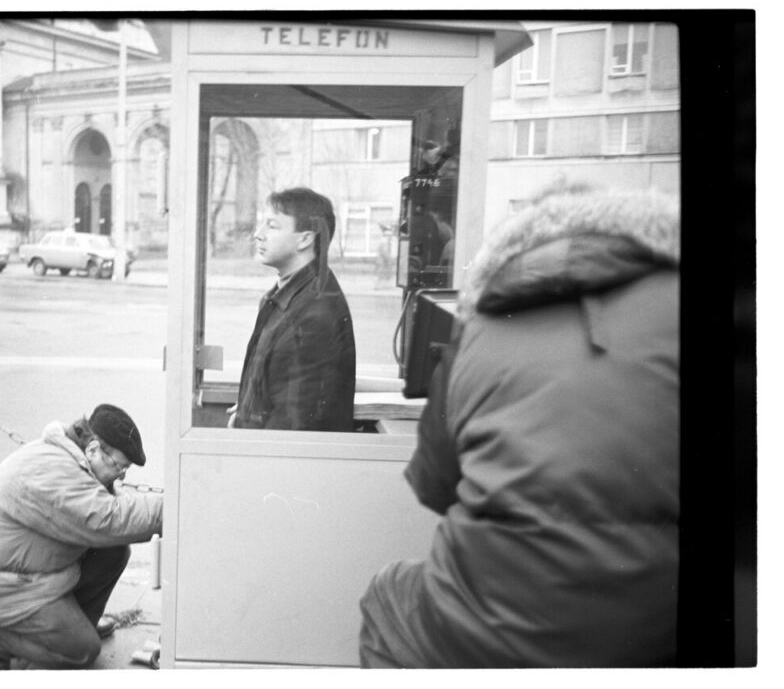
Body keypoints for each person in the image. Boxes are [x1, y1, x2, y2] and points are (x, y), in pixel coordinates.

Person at [359, 182, 680, 667]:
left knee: (389, 594)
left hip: (485, 636)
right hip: (659, 631)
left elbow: (434, 486)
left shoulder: (482, 326)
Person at [0, 404, 162, 670]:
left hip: (33, 574)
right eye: (119, 466)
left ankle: (71, 628)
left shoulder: (74, 460)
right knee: (83, 650)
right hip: (6, 586)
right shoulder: (56, 472)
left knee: (114, 552)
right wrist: (172, 506)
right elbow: (107, 519)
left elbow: (112, 509)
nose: (122, 475)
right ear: (93, 449)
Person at [228, 187, 356, 431]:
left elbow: (293, 423)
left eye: (272, 226)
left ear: (305, 239)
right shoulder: (295, 292)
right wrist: (248, 408)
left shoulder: (313, 315)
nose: (258, 234)